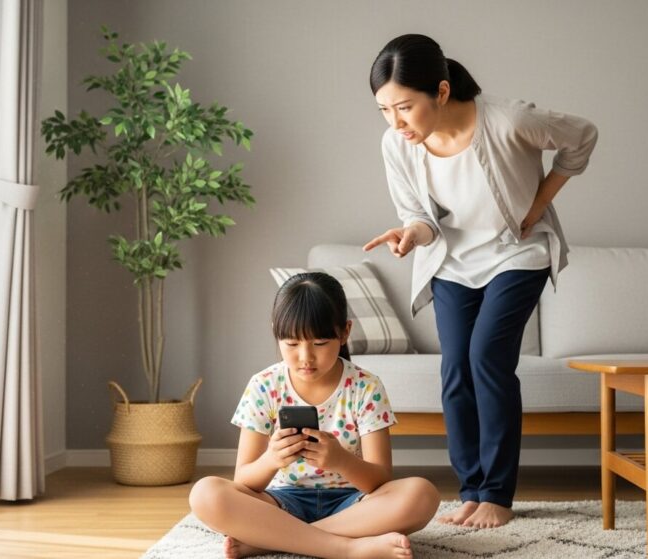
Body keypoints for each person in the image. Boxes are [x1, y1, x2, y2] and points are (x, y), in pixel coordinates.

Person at [364, 34, 598, 529]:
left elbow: (583, 135)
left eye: (405, 107)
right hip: (451, 261)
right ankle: (470, 489)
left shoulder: (508, 120)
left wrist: (538, 204)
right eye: (385, 109)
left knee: (486, 358)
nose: (395, 122)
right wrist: (410, 233)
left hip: (517, 254)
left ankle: (497, 493)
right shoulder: (397, 144)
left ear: (442, 92)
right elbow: (420, 216)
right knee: (455, 372)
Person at [189, 272, 440, 559]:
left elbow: (380, 480)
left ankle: (275, 540)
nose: (305, 357)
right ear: (276, 332)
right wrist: (272, 459)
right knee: (205, 494)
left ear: (344, 332)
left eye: (319, 344)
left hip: (353, 505)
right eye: (292, 344)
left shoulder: (365, 387)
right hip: (281, 502)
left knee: (422, 494)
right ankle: (345, 548)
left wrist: (340, 460)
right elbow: (244, 481)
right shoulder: (264, 385)